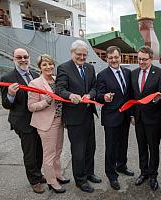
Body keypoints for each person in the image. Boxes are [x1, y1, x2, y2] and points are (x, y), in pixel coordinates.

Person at [55, 40, 101, 193]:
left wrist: (90, 95)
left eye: (84, 55)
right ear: (72, 53)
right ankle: (80, 180)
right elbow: (59, 89)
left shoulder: (90, 68)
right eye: (79, 54)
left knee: (90, 147)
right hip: (74, 117)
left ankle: (89, 173)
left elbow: (94, 87)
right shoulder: (64, 68)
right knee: (79, 150)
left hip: (88, 113)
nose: (82, 57)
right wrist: (70, 95)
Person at [0, 48, 45, 194]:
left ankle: (37, 173)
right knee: (30, 152)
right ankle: (34, 181)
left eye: (25, 57)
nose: (23, 60)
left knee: (39, 150)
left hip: (38, 119)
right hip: (22, 121)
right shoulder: (7, 78)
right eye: (19, 57)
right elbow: (6, 104)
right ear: (13, 59)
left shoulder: (36, 75)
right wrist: (11, 95)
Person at [28, 54, 69, 193]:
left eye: (50, 64)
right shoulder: (35, 83)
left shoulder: (57, 80)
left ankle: (57, 174)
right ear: (39, 67)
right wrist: (45, 101)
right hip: (47, 123)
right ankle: (51, 182)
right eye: (44, 64)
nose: (48, 67)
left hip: (59, 120)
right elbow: (31, 106)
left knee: (58, 151)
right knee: (49, 154)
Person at [96, 46, 134, 190]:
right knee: (111, 147)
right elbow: (98, 96)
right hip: (111, 116)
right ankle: (111, 175)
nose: (114, 60)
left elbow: (130, 94)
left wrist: (131, 114)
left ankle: (121, 165)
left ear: (120, 57)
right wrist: (104, 97)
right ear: (107, 59)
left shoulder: (127, 72)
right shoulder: (102, 75)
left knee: (123, 143)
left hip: (125, 115)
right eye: (110, 58)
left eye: (116, 57)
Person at [131, 46, 161, 191]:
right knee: (141, 147)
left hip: (154, 118)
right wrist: (132, 114)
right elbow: (131, 96)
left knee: (153, 148)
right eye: (139, 59)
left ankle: (153, 175)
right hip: (138, 118)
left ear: (151, 59)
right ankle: (143, 172)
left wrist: (156, 99)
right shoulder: (133, 74)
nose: (141, 62)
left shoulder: (159, 73)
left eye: (144, 59)